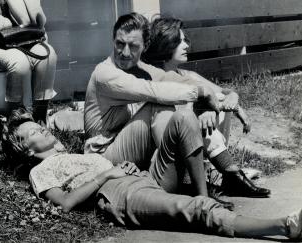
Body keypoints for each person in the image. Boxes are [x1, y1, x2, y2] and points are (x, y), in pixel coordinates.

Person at [1, 108, 302, 241]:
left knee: (181, 118)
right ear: (27, 149)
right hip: (118, 194)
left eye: (36, 125)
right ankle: (284, 227)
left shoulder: (72, 155)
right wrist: (107, 176)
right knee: (189, 210)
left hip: (141, 179)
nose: (40, 128)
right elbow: (63, 204)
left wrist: (123, 168)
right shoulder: (41, 170)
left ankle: (204, 195)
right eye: (32, 131)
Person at [84, 13, 268, 202]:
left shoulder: (138, 66)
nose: (125, 52)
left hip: (129, 147)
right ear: (113, 40)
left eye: (133, 46)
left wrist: (224, 100)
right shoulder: (105, 73)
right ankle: (199, 190)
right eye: (120, 43)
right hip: (104, 157)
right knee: (160, 103)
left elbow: (173, 79)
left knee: (174, 104)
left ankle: (220, 178)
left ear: (144, 46)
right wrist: (201, 93)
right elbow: (153, 90)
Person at [143, 16, 269, 198]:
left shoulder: (187, 74)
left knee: (217, 101)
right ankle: (229, 174)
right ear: (166, 44)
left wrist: (229, 100)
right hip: (162, 154)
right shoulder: (153, 79)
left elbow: (225, 93)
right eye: (179, 41)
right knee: (204, 108)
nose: (186, 45)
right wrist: (202, 110)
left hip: (189, 145)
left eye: (185, 40)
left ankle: (227, 174)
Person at [0, 0, 57, 123]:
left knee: (48, 55)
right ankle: (17, 121)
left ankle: (39, 117)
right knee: (18, 61)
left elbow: (37, 22)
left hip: (15, 40)